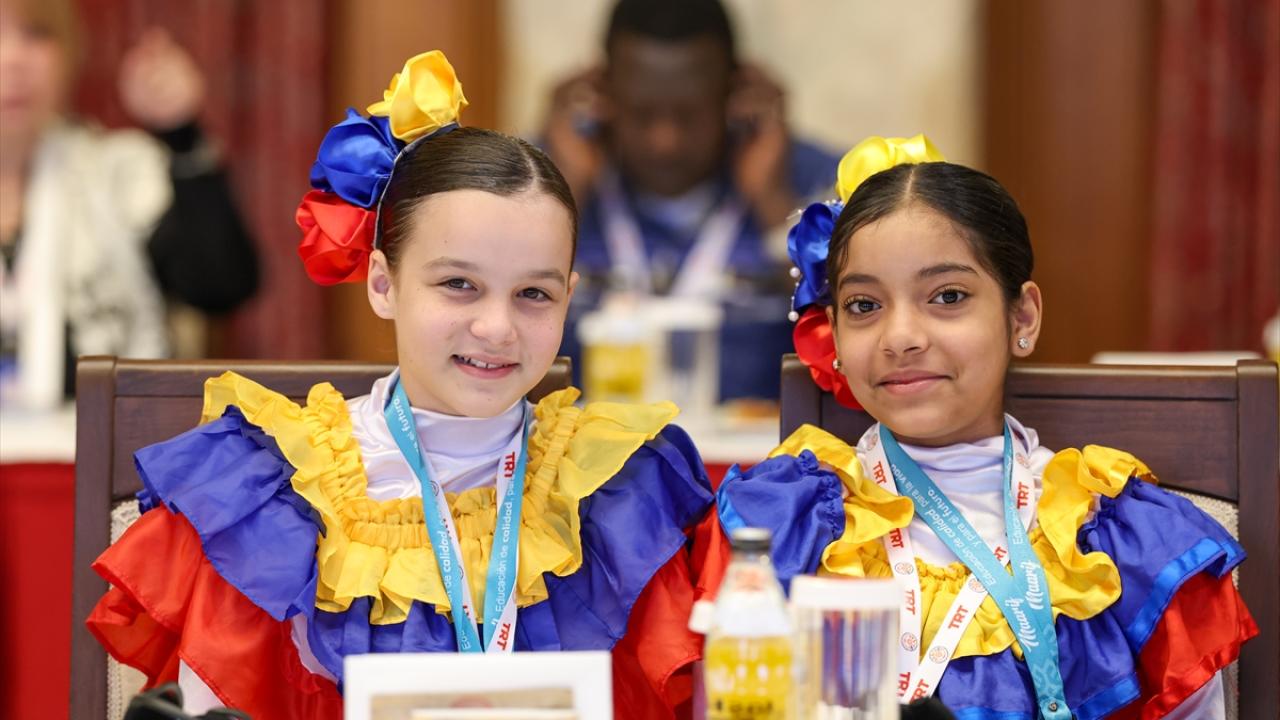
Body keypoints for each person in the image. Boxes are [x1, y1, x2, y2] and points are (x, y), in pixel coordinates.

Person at [86, 51, 713, 720]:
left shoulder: (620, 491)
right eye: (458, 284)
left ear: (569, 296)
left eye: (534, 293)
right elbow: (216, 704)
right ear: (383, 283)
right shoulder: (273, 495)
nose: (497, 327)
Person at [701, 136, 1257, 718]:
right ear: (833, 333)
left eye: (947, 296)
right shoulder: (782, 526)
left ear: (1023, 316)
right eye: (865, 305)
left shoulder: (1116, 541)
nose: (900, 337)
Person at [543, 0, 839, 400]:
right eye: (641, 113)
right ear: (604, 94)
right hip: (573, 437)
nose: (665, 141)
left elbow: (855, 321)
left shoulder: (813, 184)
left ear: (736, 95)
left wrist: (775, 206)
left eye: (690, 115)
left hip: (769, 439)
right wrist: (561, 198)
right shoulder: (545, 177)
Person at [0, 0, 257, 410]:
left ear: (70, 51)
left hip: (112, 440)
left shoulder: (119, 174)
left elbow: (222, 285)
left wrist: (180, 133)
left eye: (36, 34)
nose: (13, 59)